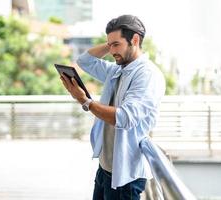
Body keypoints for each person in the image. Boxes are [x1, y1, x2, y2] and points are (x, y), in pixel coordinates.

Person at [60, 14, 166, 200]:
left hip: (126, 178)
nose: (111, 50)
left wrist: (85, 101)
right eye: (109, 45)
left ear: (135, 40)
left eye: (116, 44)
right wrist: (112, 44)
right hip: (105, 169)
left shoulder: (148, 75)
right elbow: (85, 61)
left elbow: (124, 118)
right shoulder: (118, 69)